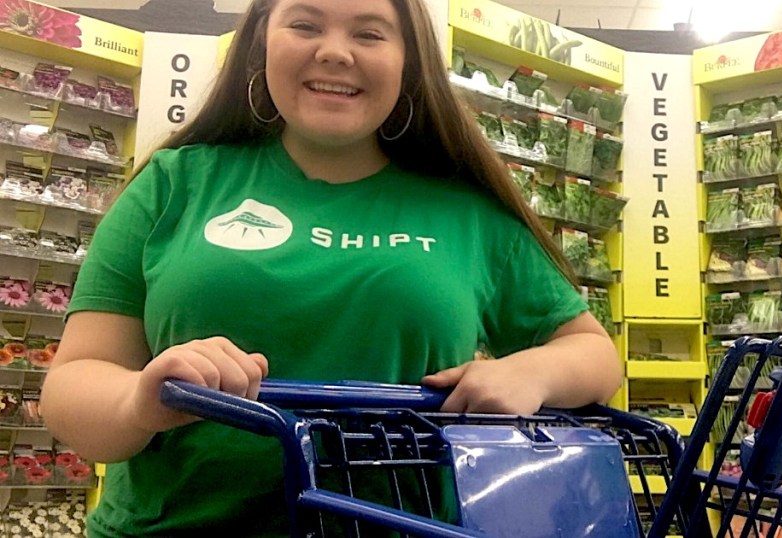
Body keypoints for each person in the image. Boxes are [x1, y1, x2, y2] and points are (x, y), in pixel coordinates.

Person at [38, 0, 622, 535]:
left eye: (369, 33)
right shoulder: (174, 185)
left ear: (408, 62)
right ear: (262, 40)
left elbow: (593, 356)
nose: (335, 51)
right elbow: (72, 390)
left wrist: (530, 373)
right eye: (305, 24)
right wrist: (142, 400)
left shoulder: (470, 214)